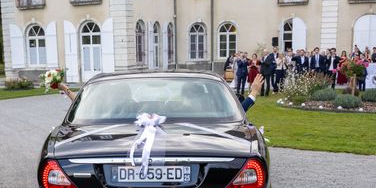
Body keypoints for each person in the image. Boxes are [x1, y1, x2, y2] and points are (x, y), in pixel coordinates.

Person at [58, 73, 265, 113]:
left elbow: (88, 107)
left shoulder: (124, 108)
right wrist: (252, 95)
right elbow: (234, 113)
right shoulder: (199, 110)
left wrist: (67, 90)